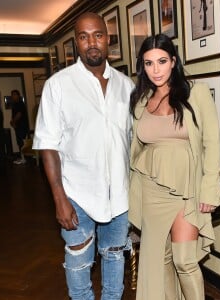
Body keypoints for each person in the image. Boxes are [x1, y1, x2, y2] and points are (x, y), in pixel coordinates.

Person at [33, 12, 134, 300]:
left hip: (120, 196)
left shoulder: (127, 86)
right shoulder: (58, 85)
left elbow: (131, 142)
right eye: (84, 36)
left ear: (108, 39)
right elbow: (47, 146)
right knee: (78, 265)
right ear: (76, 43)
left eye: (98, 35)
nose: (92, 42)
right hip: (76, 195)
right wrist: (59, 198)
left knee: (114, 258)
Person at [129, 34, 220, 300]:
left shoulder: (196, 93)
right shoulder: (140, 100)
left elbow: (212, 144)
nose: (155, 69)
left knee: (185, 260)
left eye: (161, 61)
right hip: (150, 189)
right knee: (159, 261)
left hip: (187, 189)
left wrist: (209, 189)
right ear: (143, 66)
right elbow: (136, 148)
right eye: (148, 63)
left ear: (173, 61)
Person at [10, 89, 29, 164]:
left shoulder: (20, 103)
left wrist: (12, 122)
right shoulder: (15, 104)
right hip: (18, 127)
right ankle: (22, 157)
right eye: (12, 95)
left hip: (22, 127)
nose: (13, 96)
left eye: (14, 94)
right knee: (19, 142)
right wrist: (13, 123)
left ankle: (23, 158)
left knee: (22, 143)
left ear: (18, 95)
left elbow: (19, 114)